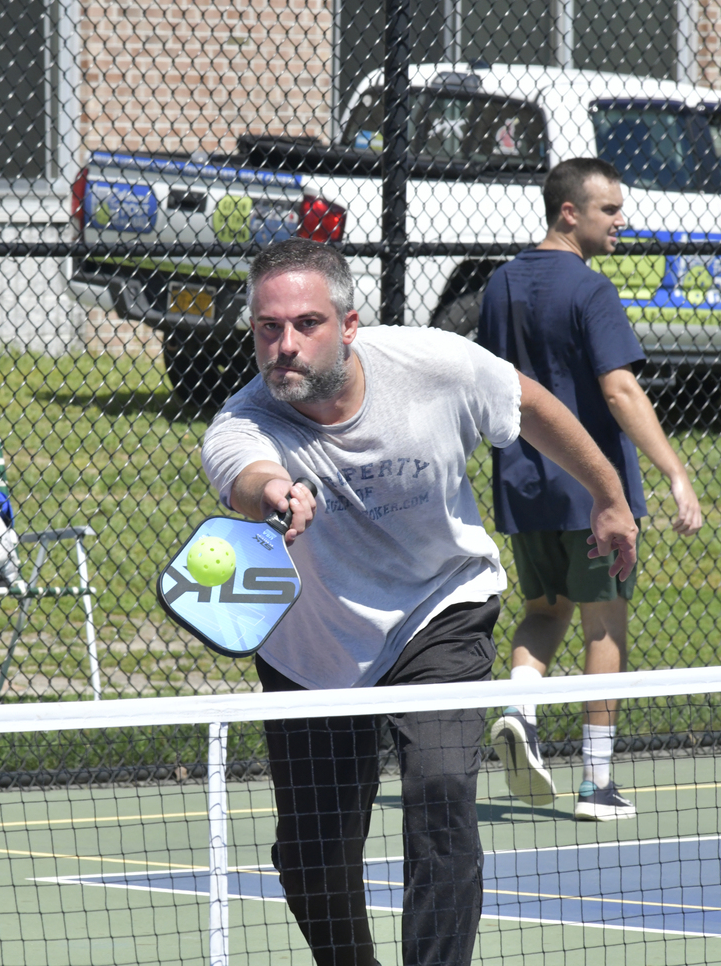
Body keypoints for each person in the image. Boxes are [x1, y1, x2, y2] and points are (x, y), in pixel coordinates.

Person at [200, 236, 639, 966]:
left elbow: (528, 404)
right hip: (314, 649)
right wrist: (272, 491)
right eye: (267, 328)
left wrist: (609, 494)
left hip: (439, 609)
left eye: (306, 324)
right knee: (311, 855)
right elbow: (245, 475)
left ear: (348, 325)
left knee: (439, 789)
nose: (285, 345)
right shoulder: (243, 423)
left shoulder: (434, 364)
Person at [477, 157, 703, 822]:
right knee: (605, 626)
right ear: (569, 213)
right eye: (610, 209)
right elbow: (619, 388)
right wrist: (674, 471)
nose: (621, 220)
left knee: (545, 610)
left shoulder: (498, 285)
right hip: (594, 496)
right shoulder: (593, 290)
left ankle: (520, 709)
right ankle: (596, 782)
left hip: (523, 484)